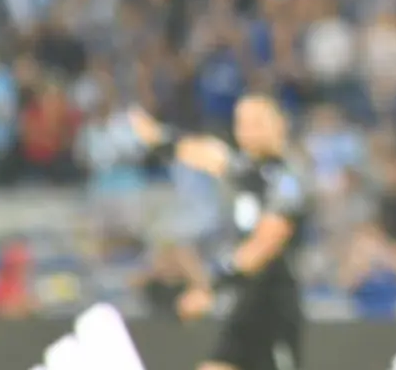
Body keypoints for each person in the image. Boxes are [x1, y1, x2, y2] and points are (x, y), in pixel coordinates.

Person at [129, 95, 309, 370]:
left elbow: (266, 243)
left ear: (279, 124)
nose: (247, 131)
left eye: (257, 122)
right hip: (246, 305)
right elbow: (210, 155)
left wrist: (212, 288)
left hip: (273, 305)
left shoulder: (287, 178)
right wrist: (162, 139)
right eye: (242, 123)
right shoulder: (246, 169)